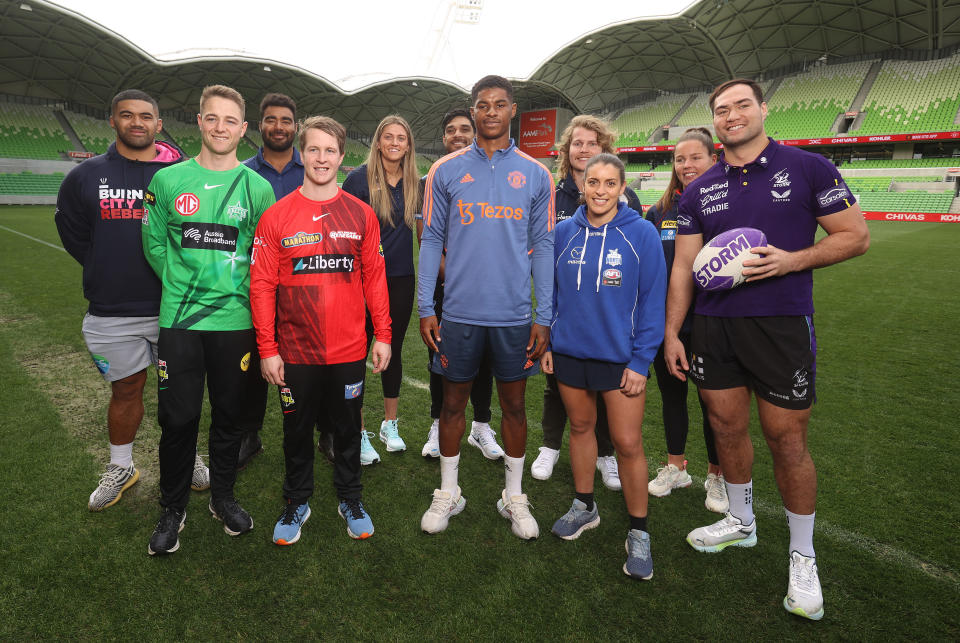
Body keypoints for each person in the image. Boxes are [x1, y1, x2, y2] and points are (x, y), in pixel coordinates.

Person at [666, 79, 869, 619]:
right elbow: (685, 267)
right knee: (726, 426)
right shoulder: (698, 188)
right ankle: (741, 521)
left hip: (779, 325)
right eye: (721, 110)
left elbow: (855, 235)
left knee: (786, 438)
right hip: (713, 327)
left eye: (741, 106)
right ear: (714, 121)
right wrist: (672, 333)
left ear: (762, 110)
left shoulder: (808, 168)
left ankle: (803, 555)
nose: (731, 116)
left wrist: (790, 260)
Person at [418, 75, 554, 540]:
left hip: (514, 316)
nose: (491, 112)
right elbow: (432, 238)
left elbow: (544, 245)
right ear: (472, 112)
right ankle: (449, 492)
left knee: (514, 407)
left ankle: (513, 497)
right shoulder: (446, 171)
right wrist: (424, 307)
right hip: (457, 314)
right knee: (452, 404)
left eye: (500, 104)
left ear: (512, 111)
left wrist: (544, 316)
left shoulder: (537, 174)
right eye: (482, 105)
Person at [142, 84, 276, 555]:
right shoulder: (168, 181)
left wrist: (228, 296)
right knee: (177, 420)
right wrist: (188, 286)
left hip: (234, 325)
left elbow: (265, 258)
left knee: (229, 419)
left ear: (243, 129)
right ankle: (172, 508)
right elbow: (155, 245)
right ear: (200, 122)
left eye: (230, 121)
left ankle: (222, 498)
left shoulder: (258, 189)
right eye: (212, 118)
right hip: (179, 322)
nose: (220, 128)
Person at [54, 89, 201, 511]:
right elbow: (76, 236)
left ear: (159, 124)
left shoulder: (179, 174)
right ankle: (122, 466)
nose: (137, 123)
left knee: (181, 393)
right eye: (127, 116)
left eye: (146, 116)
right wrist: (108, 265)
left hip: (173, 307)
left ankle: (187, 457)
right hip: (113, 309)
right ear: (113, 122)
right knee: (126, 389)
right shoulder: (85, 176)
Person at [251, 115, 391, 544]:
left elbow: (374, 278)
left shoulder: (361, 214)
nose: (322, 158)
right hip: (295, 351)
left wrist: (383, 334)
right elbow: (262, 284)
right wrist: (267, 348)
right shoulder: (277, 216)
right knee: (295, 430)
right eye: (313, 149)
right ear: (301, 153)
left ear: (342, 156)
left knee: (348, 430)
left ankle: (351, 497)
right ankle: (297, 500)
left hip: (349, 349)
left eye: (330, 150)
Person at [542, 153, 665, 579]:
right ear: (582, 185)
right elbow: (552, 294)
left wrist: (641, 360)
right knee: (579, 428)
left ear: (622, 188)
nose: (599, 190)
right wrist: (551, 343)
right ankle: (584, 505)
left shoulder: (642, 234)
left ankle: (639, 531)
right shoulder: (562, 233)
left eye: (609, 183)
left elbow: (653, 302)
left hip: (621, 360)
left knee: (627, 444)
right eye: (593, 182)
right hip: (571, 353)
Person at [531, 114, 643, 490]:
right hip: (568, 317)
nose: (583, 149)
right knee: (556, 384)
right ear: (567, 151)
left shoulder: (629, 201)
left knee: (610, 391)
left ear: (604, 149)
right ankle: (550, 446)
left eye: (591, 143)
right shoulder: (554, 192)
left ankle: (606, 454)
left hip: (610, 319)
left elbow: (633, 260)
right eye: (577, 143)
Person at [240, 92, 336, 467]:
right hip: (260, 283)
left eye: (285, 120)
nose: (277, 126)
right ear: (259, 125)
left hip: (307, 286)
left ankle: (326, 431)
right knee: (255, 360)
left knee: (320, 360)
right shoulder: (245, 173)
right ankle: (250, 433)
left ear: (295, 128)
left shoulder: (314, 164)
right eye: (270, 119)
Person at [644, 127, 727, 513]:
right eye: (680, 159)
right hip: (670, 325)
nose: (687, 165)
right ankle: (676, 466)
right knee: (672, 398)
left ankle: (717, 475)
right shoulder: (659, 211)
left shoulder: (728, 205)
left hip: (714, 324)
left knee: (714, 403)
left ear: (714, 158)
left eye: (695, 157)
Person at [416, 108, 501, 461]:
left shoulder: (494, 174)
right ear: (443, 138)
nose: (457, 135)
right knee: (441, 355)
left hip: (489, 285)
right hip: (447, 285)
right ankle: (438, 424)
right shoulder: (431, 179)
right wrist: (460, 278)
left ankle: (481, 425)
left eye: (464, 128)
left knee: (486, 355)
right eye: (450, 130)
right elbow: (427, 237)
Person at [342, 115, 418, 464]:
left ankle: (390, 424)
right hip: (362, 279)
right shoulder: (358, 178)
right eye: (388, 136)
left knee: (393, 350)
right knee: (357, 352)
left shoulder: (415, 181)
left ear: (408, 145)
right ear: (377, 141)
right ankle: (357, 432)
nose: (394, 142)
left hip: (400, 278)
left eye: (400, 137)